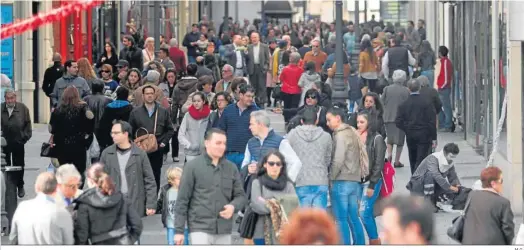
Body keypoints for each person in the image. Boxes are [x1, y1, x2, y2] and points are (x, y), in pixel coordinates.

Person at [174, 129, 247, 245]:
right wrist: (179, 231)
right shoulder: (192, 167)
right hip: (199, 228)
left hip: (224, 229)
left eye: (224, 143)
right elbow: (182, 200)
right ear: (207, 143)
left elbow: (241, 196)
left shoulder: (231, 168)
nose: (222, 147)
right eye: (218, 143)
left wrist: (233, 206)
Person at [326, 106, 367, 245]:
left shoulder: (340, 135)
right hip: (354, 181)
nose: (327, 123)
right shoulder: (352, 132)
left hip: (341, 180)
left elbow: (338, 160)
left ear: (338, 118)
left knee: (341, 219)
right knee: (353, 218)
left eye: (329, 120)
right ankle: (360, 244)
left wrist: (331, 177)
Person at [73, 163, 143, 245]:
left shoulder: (85, 203)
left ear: (90, 181)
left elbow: (82, 236)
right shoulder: (121, 197)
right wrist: (129, 240)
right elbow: (137, 225)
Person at [100, 120, 157, 217]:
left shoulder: (140, 154)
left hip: (134, 203)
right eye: (112, 133)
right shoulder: (107, 153)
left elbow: (149, 180)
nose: (112, 135)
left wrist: (151, 204)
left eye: (116, 133)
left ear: (126, 134)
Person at [128, 85, 174, 192]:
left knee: (155, 174)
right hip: (141, 149)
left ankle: (153, 202)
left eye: (151, 93)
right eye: (147, 94)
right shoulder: (135, 112)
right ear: (143, 96)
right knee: (141, 175)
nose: (149, 96)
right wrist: (134, 146)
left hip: (157, 148)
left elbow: (170, 129)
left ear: (155, 95)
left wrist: (163, 143)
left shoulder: (163, 111)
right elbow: (129, 131)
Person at [9, 172, 74, 245]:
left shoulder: (22, 208)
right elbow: (69, 242)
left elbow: (13, 238)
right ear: (56, 189)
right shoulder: (63, 213)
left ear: (36, 187)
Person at [286, 107, 332, 209]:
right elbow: (328, 159)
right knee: (318, 221)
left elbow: (285, 154)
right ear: (317, 121)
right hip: (320, 180)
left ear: (301, 121)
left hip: (300, 180)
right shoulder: (326, 136)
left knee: (303, 221)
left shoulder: (292, 134)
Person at [250, 150, 297, 245]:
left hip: (283, 235)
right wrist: (280, 203)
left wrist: (267, 202)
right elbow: (256, 205)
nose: (274, 166)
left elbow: (293, 208)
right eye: (271, 163)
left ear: (282, 166)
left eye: (278, 164)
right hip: (261, 234)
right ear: (264, 164)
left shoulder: (288, 185)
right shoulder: (257, 183)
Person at [241, 110, 302, 183]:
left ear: (261, 124)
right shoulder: (250, 143)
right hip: (254, 187)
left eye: (251, 124)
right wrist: (248, 169)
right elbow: (245, 164)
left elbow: (296, 162)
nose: (249, 127)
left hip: (273, 189)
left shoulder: (280, 142)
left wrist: (285, 182)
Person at [50, 86, 94, 184]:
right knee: (79, 171)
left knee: (65, 171)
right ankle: (77, 191)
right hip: (79, 145)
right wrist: (86, 142)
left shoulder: (58, 110)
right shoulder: (83, 108)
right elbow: (90, 126)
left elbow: (52, 129)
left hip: (62, 146)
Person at [462, 166, 514, 245]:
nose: (502, 184)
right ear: (493, 183)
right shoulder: (503, 202)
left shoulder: (472, 195)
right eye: (501, 180)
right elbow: (508, 229)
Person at [356, 110, 386, 245]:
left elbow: (379, 163)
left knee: (364, 213)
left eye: (362, 122)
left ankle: (375, 241)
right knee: (362, 213)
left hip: (371, 181)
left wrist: (372, 185)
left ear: (369, 123)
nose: (358, 124)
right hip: (356, 180)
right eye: (357, 122)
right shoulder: (355, 136)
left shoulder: (377, 139)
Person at [396, 79, 437, 174]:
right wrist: (434, 137)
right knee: (422, 157)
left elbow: (398, 121)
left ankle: (414, 176)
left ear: (408, 89)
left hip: (411, 134)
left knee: (412, 156)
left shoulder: (403, 104)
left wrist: (407, 128)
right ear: (419, 88)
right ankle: (419, 177)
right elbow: (432, 121)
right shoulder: (427, 103)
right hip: (424, 133)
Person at [406, 143, 461, 211]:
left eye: (454, 157)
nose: (452, 159)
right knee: (430, 174)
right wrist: (449, 187)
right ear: (444, 153)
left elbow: (453, 177)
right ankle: (428, 203)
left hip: (434, 184)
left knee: (452, 193)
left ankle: (435, 201)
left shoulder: (450, 162)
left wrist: (458, 187)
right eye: (451, 156)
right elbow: (436, 175)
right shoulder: (433, 158)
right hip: (418, 184)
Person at [218, 85, 259, 169]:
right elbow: (221, 130)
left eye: (252, 96)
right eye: (248, 96)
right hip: (229, 154)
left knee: (244, 180)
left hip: (248, 154)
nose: (251, 99)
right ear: (240, 95)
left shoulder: (257, 112)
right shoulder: (228, 110)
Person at [1, 89, 32, 198]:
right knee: (5, 165)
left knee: (19, 164)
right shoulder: (1, 108)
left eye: (12, 98)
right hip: (4, 143)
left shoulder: (23, 108)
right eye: (8, 98)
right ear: (5, 99)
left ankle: (20, 185)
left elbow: (28, 125)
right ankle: (8, 186)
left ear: (15, 98)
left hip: (18, 142)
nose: (10, 100)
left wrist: (24, 137)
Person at [381, 70, 410, 168]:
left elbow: (382, 101)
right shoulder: (406, 90)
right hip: (401, 119)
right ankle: (397, 161)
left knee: (390, 138)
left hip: (388, 117)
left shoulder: (387, 89)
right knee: (400, 141)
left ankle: (389, 155)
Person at [156, 167, 189, 245]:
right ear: (172, 180)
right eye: (179, 179)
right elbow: (160, 203)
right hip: (170, 223)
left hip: (184, 224)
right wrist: (153, 208)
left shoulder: (186, 190)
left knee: (185, 243)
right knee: (171, 243)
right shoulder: (166, 191)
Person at [97, 87, 133, 152]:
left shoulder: (109, 107)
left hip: (110, 136)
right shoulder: (130, 108)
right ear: (127, 95)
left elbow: (103, 123)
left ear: (117, 94)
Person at [178, 92, 211, 162]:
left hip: (206, 153)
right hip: (191, 153)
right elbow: (180, 134)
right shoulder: (187, 115)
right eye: (194, 101)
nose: (196, 103)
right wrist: (189, 145)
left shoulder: (210, 115)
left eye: (198, 101)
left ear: (204, 101)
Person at [247, 32, 271, 107]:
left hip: (261, 68)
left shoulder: (265, 46)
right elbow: (247, 59)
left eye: (255, 37)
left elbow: (267, 59)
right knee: (253, 86)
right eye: (252, 38)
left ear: (258, 38)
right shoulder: (249, 47)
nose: (254, 39)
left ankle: (262, 102)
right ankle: (254, 102)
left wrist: (265, 68)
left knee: (262, 86)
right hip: (252, 68)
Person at [279, 52, 304, 123]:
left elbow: (281, 79)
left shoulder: (285, 69)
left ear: (290, 59)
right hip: (296, 91)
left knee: (286, 106)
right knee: (294, 107)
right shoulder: (301, 70)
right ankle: (293, 120)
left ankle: (286, 120)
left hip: (286, 90)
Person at [436, 45, 453, 132]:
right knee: (440, 106)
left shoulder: (445, 62)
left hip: (444, 88)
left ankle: (448, 124)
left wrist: (442, 86)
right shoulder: (443, 62)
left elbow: (446, 77)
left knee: (446, 107)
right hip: (442, 87)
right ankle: (444, 123)